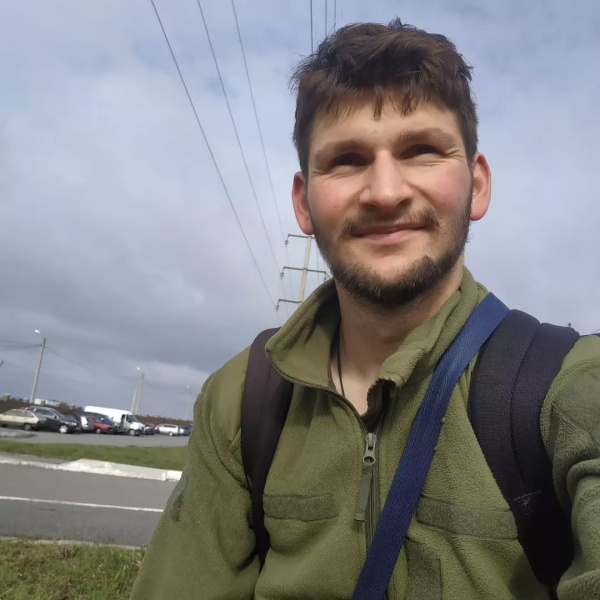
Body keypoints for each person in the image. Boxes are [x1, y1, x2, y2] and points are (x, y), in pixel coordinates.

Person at [130, 19, 600, 599]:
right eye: (347, 159)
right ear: (304, 203)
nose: (385, 191)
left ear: (477, 185)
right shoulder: (239, 401)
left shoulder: (570, 387)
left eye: (422, 150)